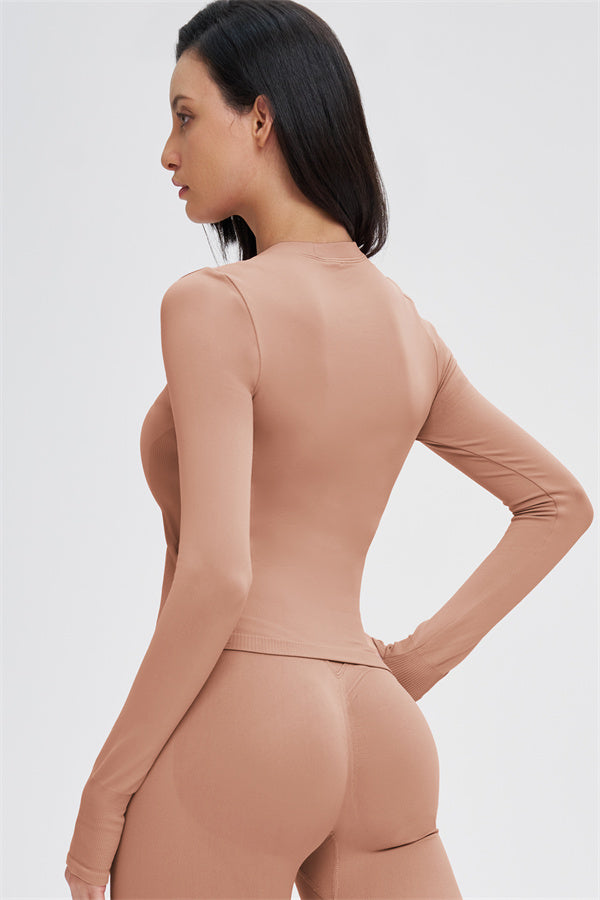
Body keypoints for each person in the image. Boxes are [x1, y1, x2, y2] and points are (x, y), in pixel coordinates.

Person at [64, 1, 594, 897]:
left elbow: (216, 576)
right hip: (379, 734)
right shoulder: (409, 332)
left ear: (260, 118)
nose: (167, 153)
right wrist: (408, 667)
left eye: (185, 117)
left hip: (239, 728)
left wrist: (103, 794)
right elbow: (559, 504)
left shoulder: (213, 306)